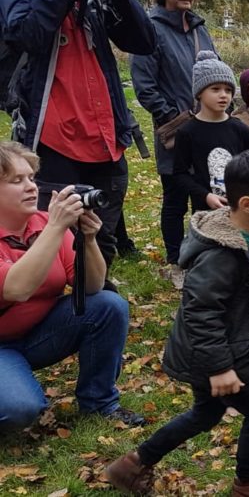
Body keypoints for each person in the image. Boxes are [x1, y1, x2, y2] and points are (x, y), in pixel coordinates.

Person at [104, 151, 249, 497]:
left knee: (206, 414)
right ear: (248, 203)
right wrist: (220, 368)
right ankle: (248, 485)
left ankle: (133, 465)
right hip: (214, 355)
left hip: (226, 347)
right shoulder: (221, 253)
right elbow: (200, 311)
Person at [1, 0, 156, 269]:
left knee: (100, 240)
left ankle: (96, 302)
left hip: (106, 140)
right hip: (53, 140)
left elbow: (144, 42)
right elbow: (27, 35)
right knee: (53, 243)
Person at [0, 142, 143, 432]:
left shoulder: (42, 223)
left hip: (38, 334)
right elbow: (17, 289)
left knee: (108, 305)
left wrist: (88, 239)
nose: (30, 187)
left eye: (31, 178)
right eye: (17, 181)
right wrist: (55, 228)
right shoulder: (50, 226)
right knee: (21, 410)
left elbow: (92, 286)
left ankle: (99, 403)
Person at [130, 0, 217, 286]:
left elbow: (215, 72)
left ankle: (203, 256)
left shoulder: (198, 28)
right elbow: (145, 85)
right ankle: (175, 259)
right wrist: (172, 117)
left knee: (204, 193)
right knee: (175, 196)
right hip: (177, 131)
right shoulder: (149, 29)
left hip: (208, 126)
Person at [165, 51, 249, 287]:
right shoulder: (187, 132)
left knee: (243, 253)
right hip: (206, 209)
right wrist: (205, 195)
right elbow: (180, 174)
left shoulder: (239, 129)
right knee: (211, 257)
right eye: (215, 89)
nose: (223, 95)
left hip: (241, 207)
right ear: (200, 93)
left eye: (227, 89)